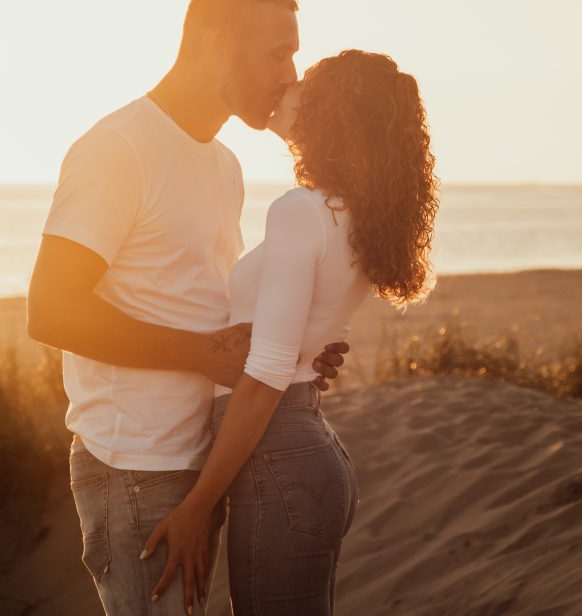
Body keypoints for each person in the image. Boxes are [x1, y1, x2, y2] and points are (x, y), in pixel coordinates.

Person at [26, 0, 349, 616]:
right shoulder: (118, 148)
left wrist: (297, 349)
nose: (291, 74)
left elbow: (206, 302)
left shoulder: (224, 165)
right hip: (133, 468)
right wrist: (202, 354)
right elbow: (50, 308)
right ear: (217, 44)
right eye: (276, 53)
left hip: (202, 462)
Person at [142, 49, 439, 615]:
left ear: (331, 112)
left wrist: (198, 505)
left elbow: (269, 370)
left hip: (280, 456)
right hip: (304, 450)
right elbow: (304, 336)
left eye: (305, 85)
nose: (287, 87)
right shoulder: (355, 212)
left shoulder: (301, 210)